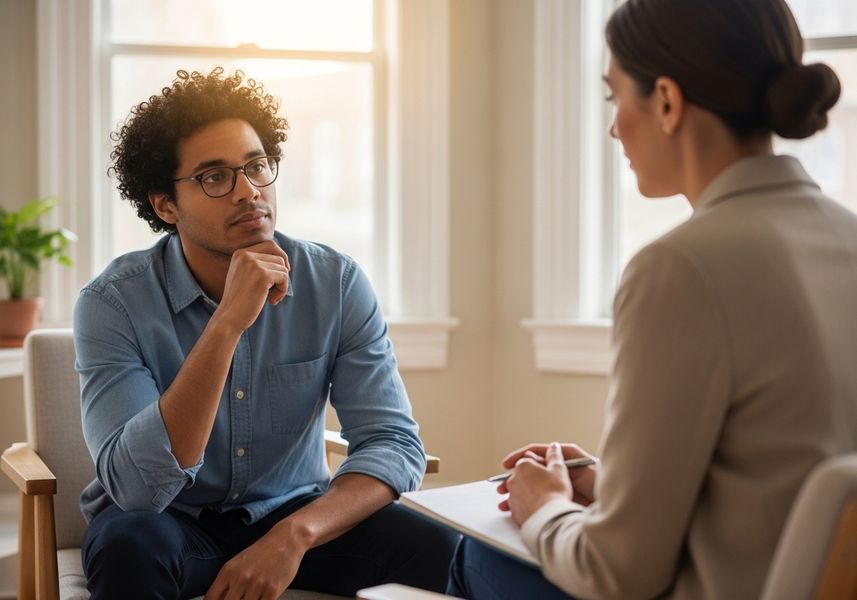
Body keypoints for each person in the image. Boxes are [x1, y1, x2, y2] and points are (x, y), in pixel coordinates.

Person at [447, 0, 857, 598]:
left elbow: (617, 573)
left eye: (615, 98)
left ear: (666, 100)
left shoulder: (680, 269)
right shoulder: (846, 236)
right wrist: (612, 487)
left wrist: (542, 506)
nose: (613, 127)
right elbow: (774, 479)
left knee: (476, 554)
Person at [74, 67, 458, 600]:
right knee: (128, 545)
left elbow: (391, 442)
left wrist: (292, 537)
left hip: (294, 515)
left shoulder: (336, 283)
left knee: (439, 547)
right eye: (215, 177)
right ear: (165, 205)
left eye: (257, 167)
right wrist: (227, 321)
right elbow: (138, 491)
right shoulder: (111, 303)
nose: (249, 192)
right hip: (169, 522)